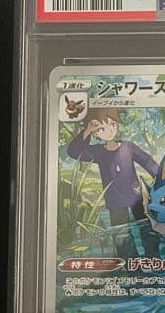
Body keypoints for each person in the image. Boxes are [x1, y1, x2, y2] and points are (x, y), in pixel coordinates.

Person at [66, 107, 159, 257]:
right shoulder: (97, 152)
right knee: (121, 236)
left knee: (147, 229)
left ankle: (154, 258)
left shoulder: (128, 147)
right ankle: (131, 265)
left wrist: (159, 178)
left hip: (137, 197)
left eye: (112, 124)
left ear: (117, 124)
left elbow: (147, 161)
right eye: (102, 128)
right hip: (115, 201)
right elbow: (73, 152)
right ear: (96, 133)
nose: (109, 130)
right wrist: (87, 130)